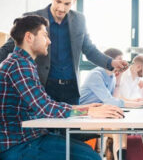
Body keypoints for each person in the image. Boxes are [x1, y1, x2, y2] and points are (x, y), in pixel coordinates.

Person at [0, 15, 124, 160]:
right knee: (90, 157)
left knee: (87, 152)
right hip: (19, 144)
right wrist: (88, 111)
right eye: (45, 35)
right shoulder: (19, 66)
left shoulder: (22, 63)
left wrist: (86, 108)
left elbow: (43, 105)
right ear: (29, 37)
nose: (49, 41)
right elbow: (45, 108)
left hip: (28, 138)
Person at [0, 0, 128, 105]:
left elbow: (89, 50)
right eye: (58, 1)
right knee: (44, 123)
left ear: (74, 1)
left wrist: (111, 63)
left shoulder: (79, 20)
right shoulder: (33, 18)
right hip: (44, 86)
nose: (61, 8)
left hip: (71, 88)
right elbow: (10, 46)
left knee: (72, 122)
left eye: (67, 4)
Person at [79, 49, 143, 160]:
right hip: (82, 118)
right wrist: (139, 104)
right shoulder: (96, 75)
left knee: (121, 128)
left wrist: (118, 79)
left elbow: (115, 99)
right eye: (119, 60)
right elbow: (110, 101)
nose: (123, 64)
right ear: (109, 61)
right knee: (119, 128)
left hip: (96, 117)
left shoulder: (112, 76)